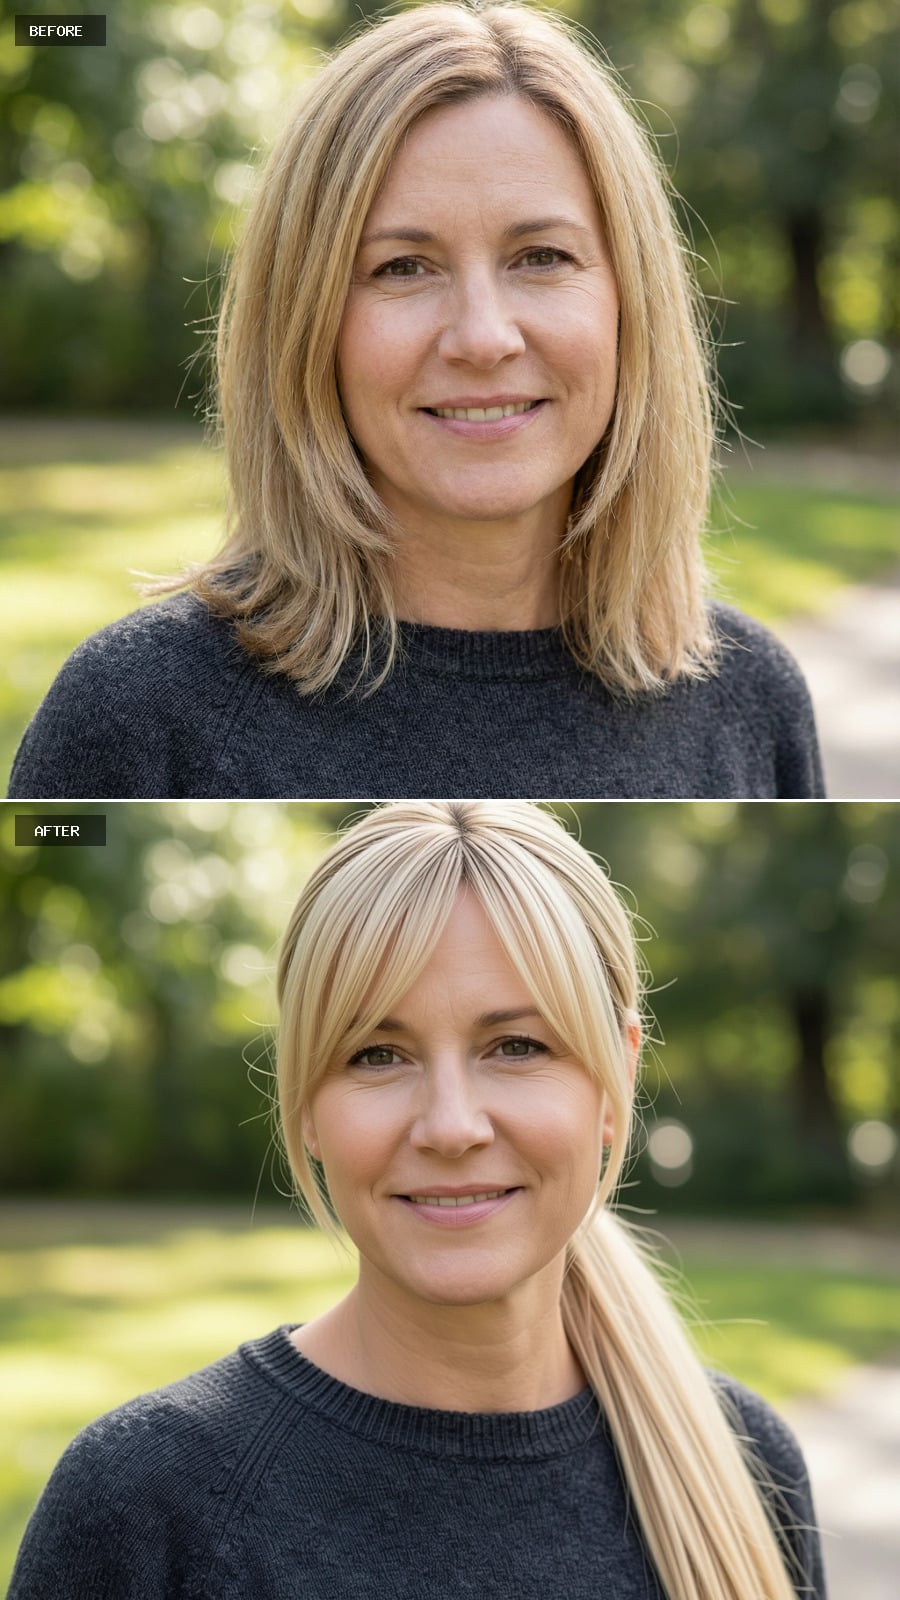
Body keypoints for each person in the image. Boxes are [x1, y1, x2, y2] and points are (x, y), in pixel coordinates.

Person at [10, 800, 826, 1599]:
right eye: (376, 1055)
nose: (450, 1126)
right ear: (305, 1105)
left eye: (516, 1046)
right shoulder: (146, 1505)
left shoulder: (743, 1466)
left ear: (616, 1081)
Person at [8, 3, 823, 800]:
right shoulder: (138, 717)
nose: (482, 336)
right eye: (402, 267)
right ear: (305, 322)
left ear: (628, 302)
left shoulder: (752, 703)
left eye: (540, 256)